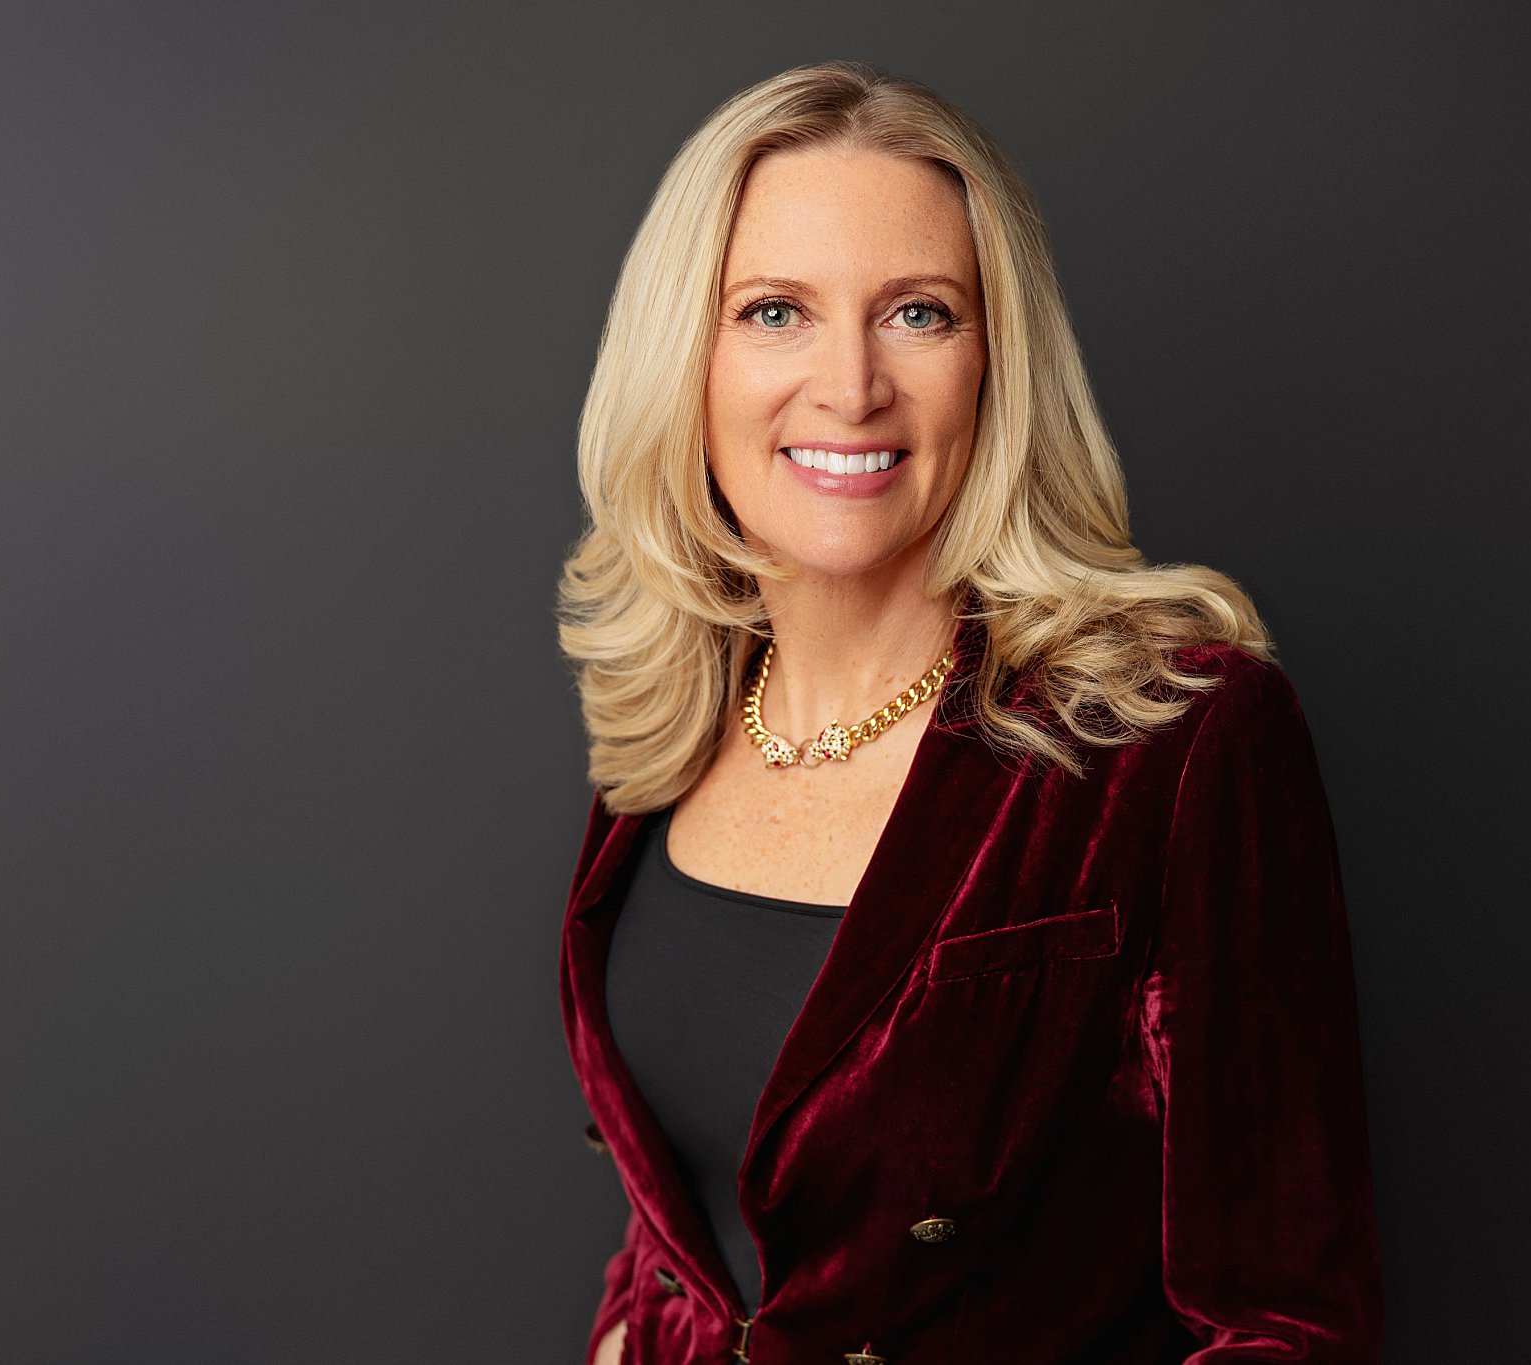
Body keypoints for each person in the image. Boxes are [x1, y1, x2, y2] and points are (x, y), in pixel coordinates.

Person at [555, 60, 1383, 1365]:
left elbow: (1283, 1326)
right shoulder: (671, 719)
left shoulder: (1176, 735)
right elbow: (689, 1236)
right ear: (686, 359)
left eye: (919, 314)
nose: (850, 384)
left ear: (998, 361)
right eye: (775, 310)